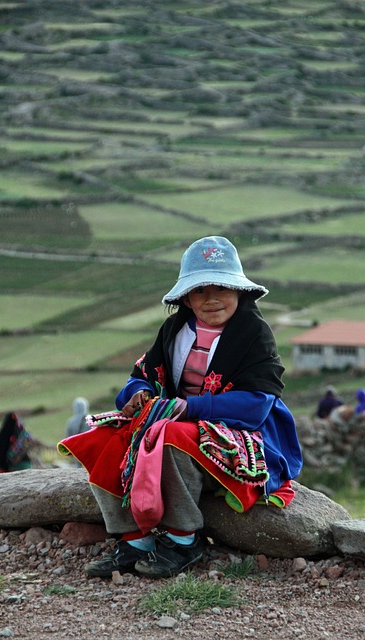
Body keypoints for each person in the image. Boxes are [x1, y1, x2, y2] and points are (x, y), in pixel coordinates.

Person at [58, 236, 303, 579]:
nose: (212, 298)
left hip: (242, 433)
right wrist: (139, 393)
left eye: (222, 287)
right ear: (187, 297)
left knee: (169, 434)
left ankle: (183, 539)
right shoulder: (175, 329)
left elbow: (257, 404)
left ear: (240, 291)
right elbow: (142, 375)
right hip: (176, 419)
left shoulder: (254, 334)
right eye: (200, 290)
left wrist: (189, 408)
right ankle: (133, 538)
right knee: (103, 437)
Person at [65, 397, 90, 466]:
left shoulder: (70, 422)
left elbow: (67, 439)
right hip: (89, 451)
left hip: (77, 451)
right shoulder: (92, 420)